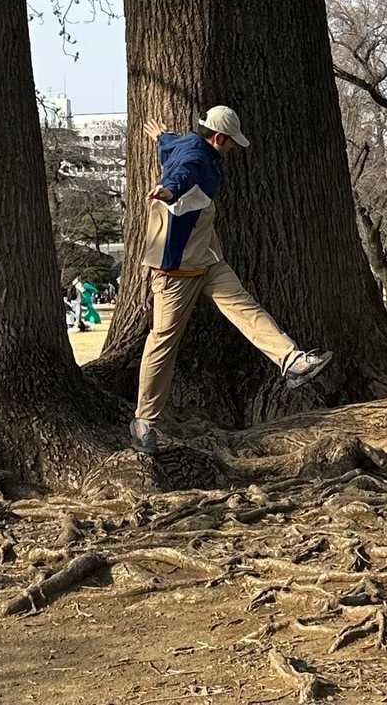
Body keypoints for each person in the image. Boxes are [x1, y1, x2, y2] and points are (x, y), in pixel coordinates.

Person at [129, 106, 334, 455]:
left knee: (244, 307)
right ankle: (144, 421)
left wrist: (160, 136)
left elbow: (169, 145)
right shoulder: (195, 158)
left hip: (208, 259)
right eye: (231, 143)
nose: (233, 149)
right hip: (176, 271)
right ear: (219, 137)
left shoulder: (184, 142)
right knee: (163, 341)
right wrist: (166, 191)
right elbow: (180, 175)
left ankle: (291, 361)